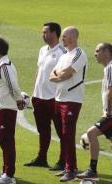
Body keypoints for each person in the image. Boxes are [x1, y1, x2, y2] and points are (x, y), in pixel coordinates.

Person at [77, 43, 112, 184]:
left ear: (107, 52)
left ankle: (92, 170)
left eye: (97, 51)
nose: (95, 53)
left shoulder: (111, 68)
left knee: (91, 133)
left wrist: (108, 112)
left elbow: (111, 91)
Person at [49, 26, 88, 182]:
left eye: (64, 36)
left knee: (68, 134)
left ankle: (70, 170)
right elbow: (52, 75)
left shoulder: (79, 54)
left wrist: (60, 75)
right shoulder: (64, 55)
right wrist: (60, 75)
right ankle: (69, 166)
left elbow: (67, 73)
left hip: (72, 99)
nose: (62, 38)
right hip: (59, 98)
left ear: (73, 37)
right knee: (63, 135)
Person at [25, 22, 65, 169]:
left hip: (54, 98)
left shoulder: (62, 52)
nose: (43, 35)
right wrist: (34, 91)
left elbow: (64, 74)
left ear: (54, 33)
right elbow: (39, 70)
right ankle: (42, 158)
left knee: (62, 131)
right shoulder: (43, 50)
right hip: (39, 97)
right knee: (43, 130)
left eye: (45, 32)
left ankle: (63, 160)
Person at [0, 36, 25, 184]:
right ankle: (5, 171)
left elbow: (12, 85)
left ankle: (9, 176)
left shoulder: (5, 66)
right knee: (3, 141)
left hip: (6, 109)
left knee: (7, 141)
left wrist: (19, 100)